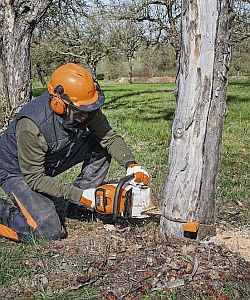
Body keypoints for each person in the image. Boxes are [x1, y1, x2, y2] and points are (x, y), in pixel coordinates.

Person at [0, 63, 149, 243]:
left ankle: (79, 207)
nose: (88, 115)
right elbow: (34, 178)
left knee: (99, 145)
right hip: (17, 171)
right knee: (48, 231)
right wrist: (81, 195)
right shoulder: (31, 125)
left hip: (52, 157)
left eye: (90, 109)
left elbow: (108, 137)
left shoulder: (85, 108)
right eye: (82, 111)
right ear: (58, 104)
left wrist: (132, 165)